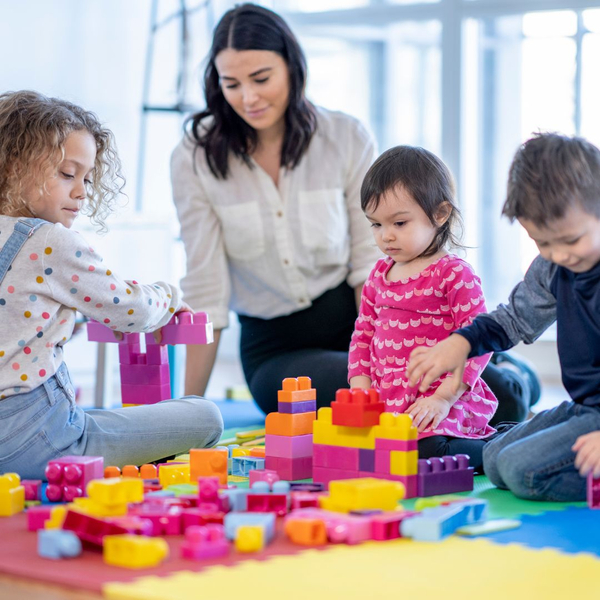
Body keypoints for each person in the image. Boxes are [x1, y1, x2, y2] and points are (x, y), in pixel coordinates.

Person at [172, 2, 538, 421]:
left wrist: (391, 358)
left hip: (369, 322)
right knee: (374, 407)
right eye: (231, 84)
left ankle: (508, 371)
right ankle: (502, 372)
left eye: (261, 78)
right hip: (279, 350)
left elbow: (373, 259)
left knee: (489, 395)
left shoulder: (343, 136)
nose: (248, 97)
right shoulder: (194, 157)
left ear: (293, 68)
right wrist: (189, 413)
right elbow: (206, 290)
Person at [0, 90, 223, 480]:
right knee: (206, 415)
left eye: (87, 178)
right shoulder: (49, 240)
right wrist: (168, 297)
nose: (82, 191)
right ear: (13, 167)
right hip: (35, 443)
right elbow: (130, 308)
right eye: (68, 174)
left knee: (103, 416)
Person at [406, 132, 600, 501]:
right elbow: (513, 319)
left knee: (521, 472)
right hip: (585, 407)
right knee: (494, 459)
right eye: (543, 243)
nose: (558, 254)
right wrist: (460, 343)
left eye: (571, 240)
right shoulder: (553, 267)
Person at [348, 146, 497, 470]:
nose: (386, 236)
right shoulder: (377, 276)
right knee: (362, 453)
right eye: (375, 225)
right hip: (393, 405)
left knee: (428, 453)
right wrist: (360, 390)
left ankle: (501, 444)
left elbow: (478, 343)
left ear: (440, 214)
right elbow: (363, 335)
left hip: (446, 400)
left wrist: (443, 398)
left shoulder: (454, 274)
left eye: (399, 223)